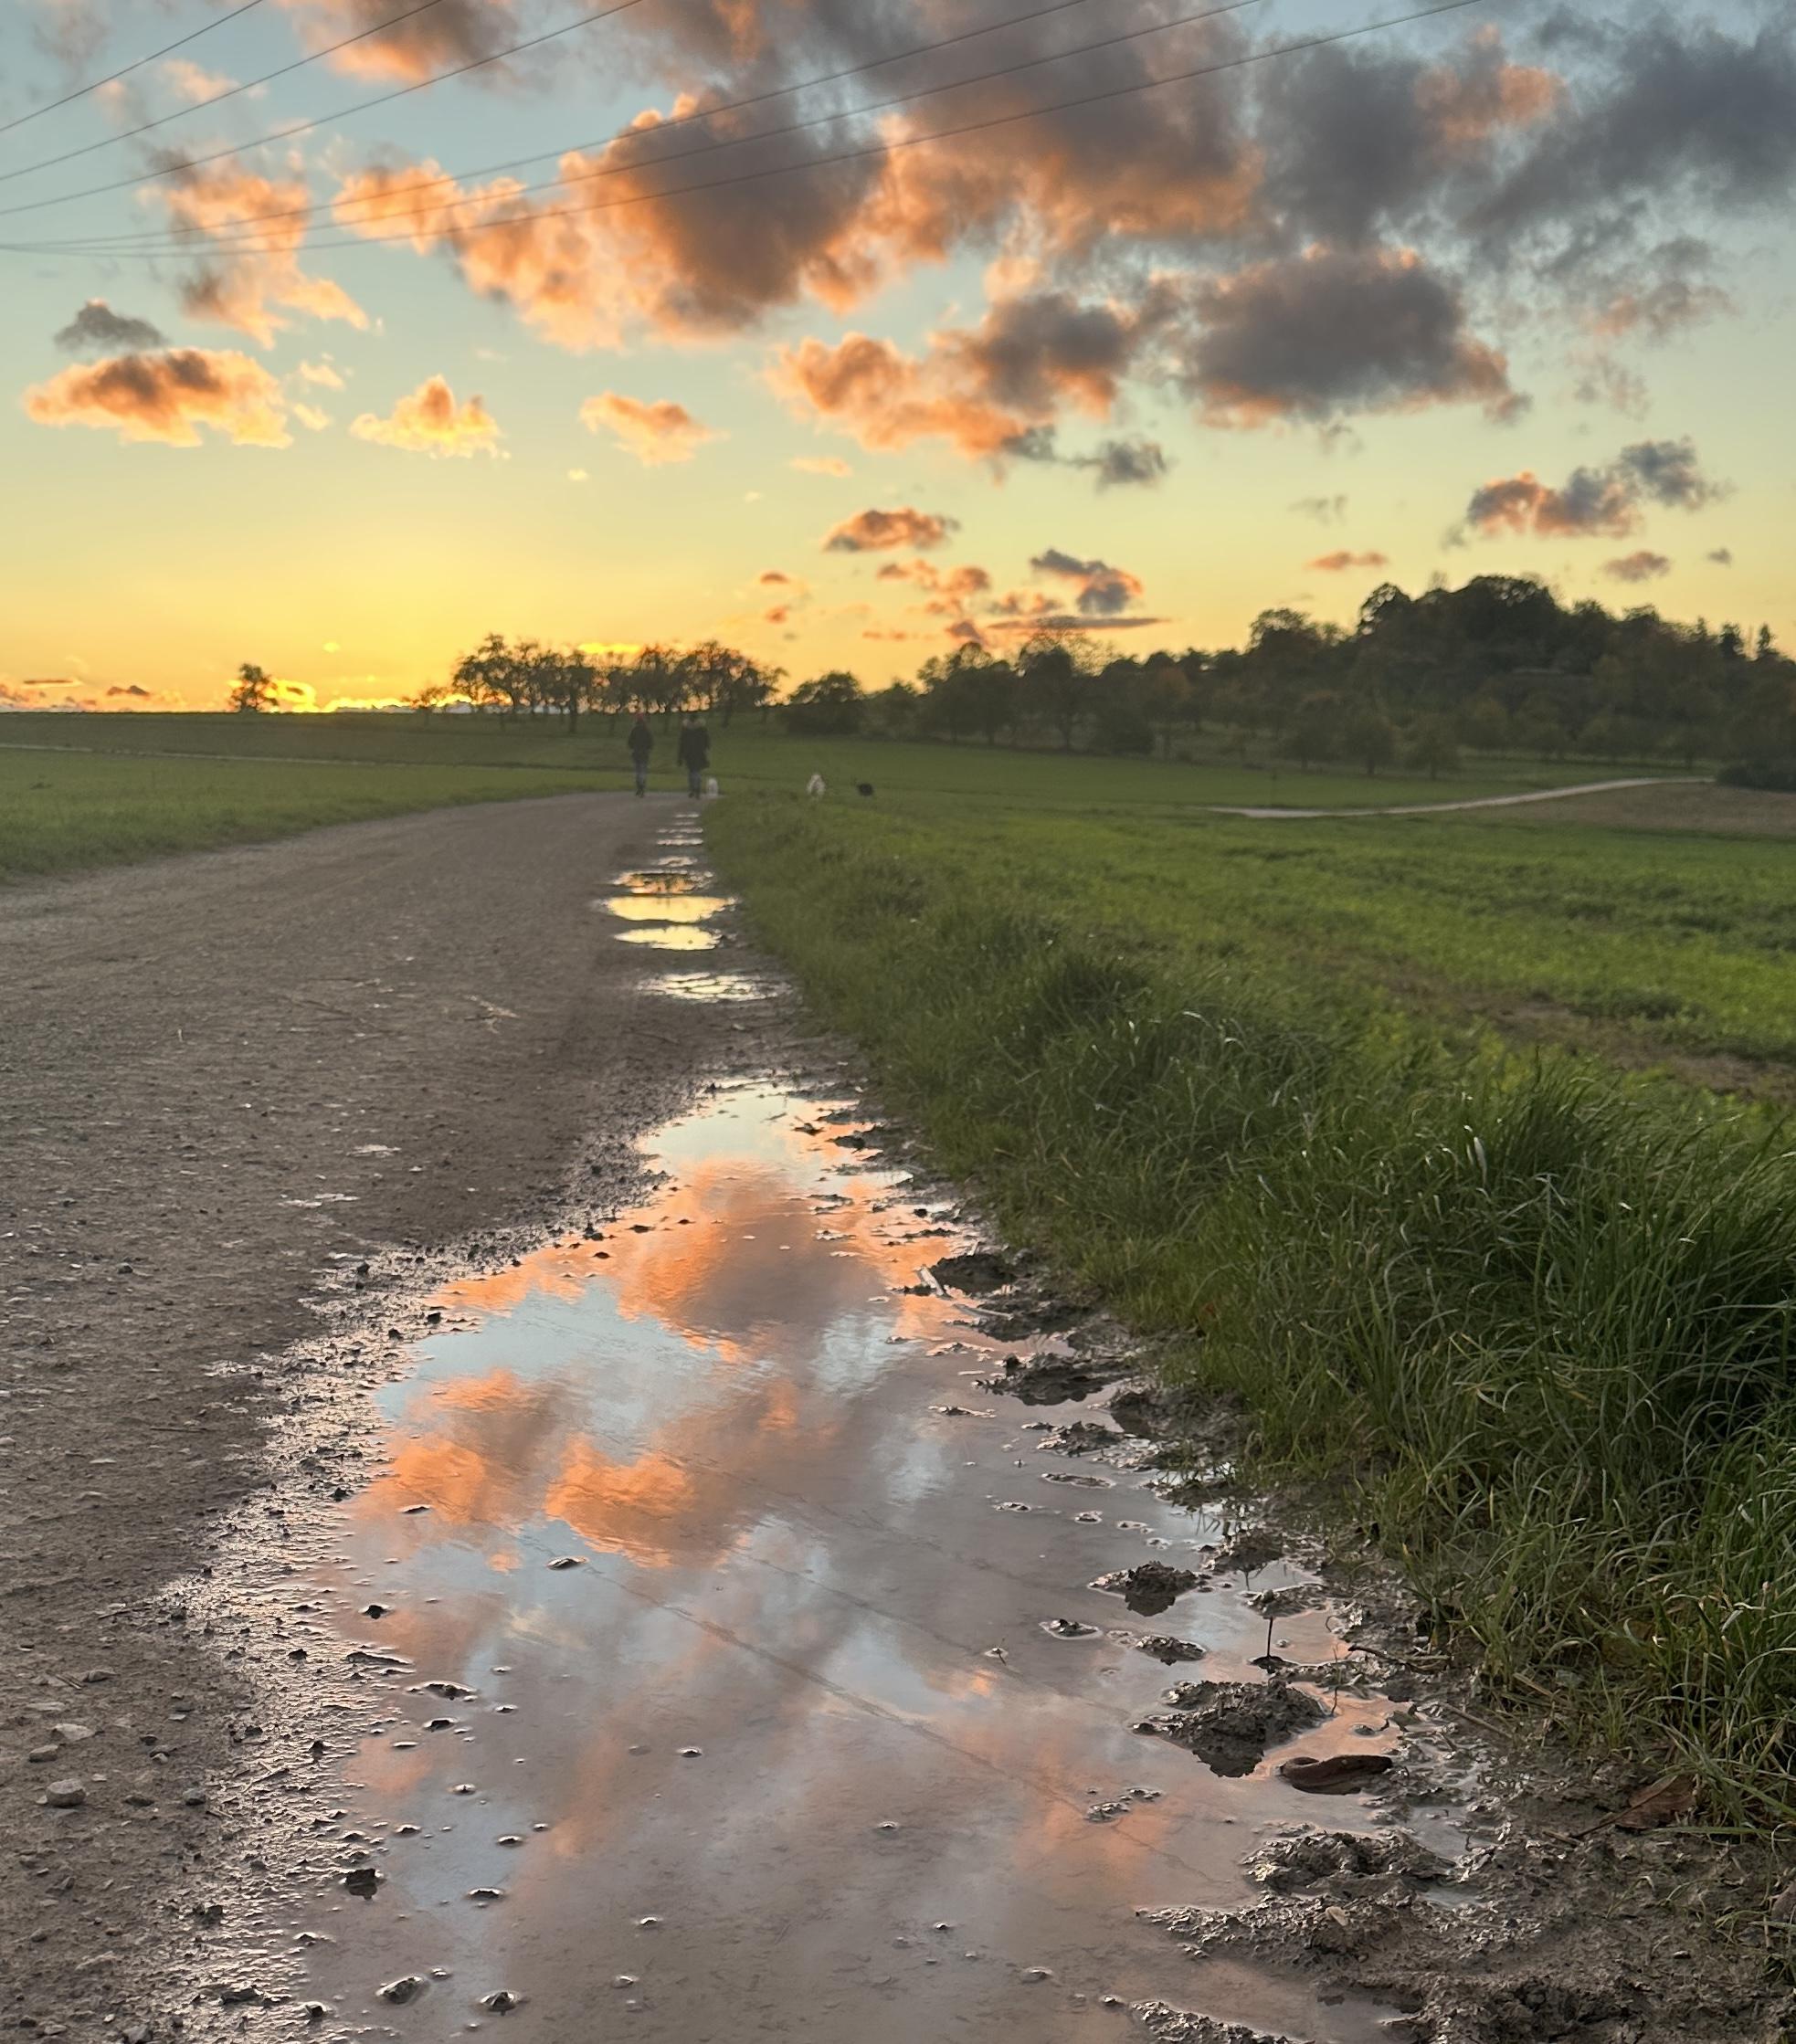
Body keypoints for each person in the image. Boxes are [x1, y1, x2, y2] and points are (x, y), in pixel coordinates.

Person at [676, 713, 712, 799]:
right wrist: (706, 748)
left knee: (691, 772)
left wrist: (680, 757)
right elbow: (707, 741)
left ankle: (692, 789)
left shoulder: (685, 729)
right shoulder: (702, 729)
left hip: (688, 754)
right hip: (699, 753)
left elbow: (682, 744)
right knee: (697, 771)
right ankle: (697, 788)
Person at [627, 712, 653, 796]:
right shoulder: (647, 730)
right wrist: (648, 748)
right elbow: (651, 742)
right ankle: (642, 787)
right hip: (645, 753)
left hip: (636, 752)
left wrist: (632, 747)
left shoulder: (634, 730)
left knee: (637, 770)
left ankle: (639, 787)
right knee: (643, 770)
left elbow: (630, 742)